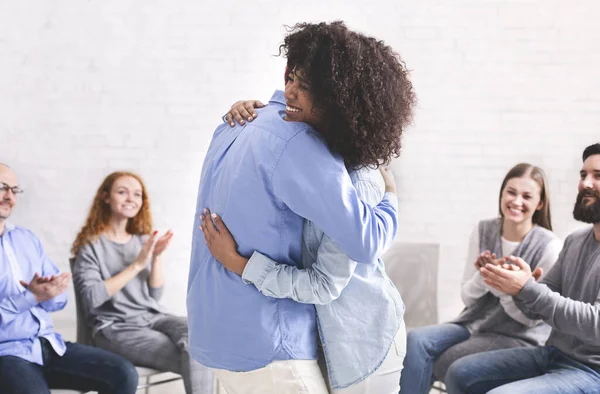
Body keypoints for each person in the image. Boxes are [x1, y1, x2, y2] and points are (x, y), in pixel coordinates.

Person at [188, 21, 415, 394]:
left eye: (306, 86)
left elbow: (361, 247)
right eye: (292, 78)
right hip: (277, 338)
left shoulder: (237, 126)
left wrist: (390, 197)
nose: (291, 91)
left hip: (359, 340)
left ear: (337, 99)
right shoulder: (284, 137)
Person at [445, 143, 600, 393]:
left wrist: (528, 288)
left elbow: (596, 324)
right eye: (583, 175)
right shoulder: (574, 241)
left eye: (597, 175)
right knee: (460, 373)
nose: (586, 183)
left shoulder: (552, 241)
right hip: (554, 354)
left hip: (593, 371)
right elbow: (537, 306)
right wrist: (516, 286)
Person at [400, 163, 562, 394]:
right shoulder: (485, 229)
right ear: (502, 193)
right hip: (473, 323)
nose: (517, 201)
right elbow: (467, 296)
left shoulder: (549, 246)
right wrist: (482, 276)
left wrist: (501, 287)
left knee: (449, 360)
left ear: (540, 203)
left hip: (518, 334)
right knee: (415, 339)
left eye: (527, 196)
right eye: (511, 192)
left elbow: (533, 320)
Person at [0, 163, 139, 394]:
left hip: (48, 344)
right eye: (3, 188)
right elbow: (31, 298)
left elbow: (57, 300)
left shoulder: (26, 239)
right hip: (7, 352)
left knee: (123, 373)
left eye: (14, 190)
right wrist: (30, 297)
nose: (10, 196)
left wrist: (50, 293)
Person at [71, 171, 214, 394]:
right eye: (122, 192)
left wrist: (156, 256)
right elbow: (91, 298)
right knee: (200, 355)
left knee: (201, 333)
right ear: (106, 197)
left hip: (152, 317)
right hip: (116, 327)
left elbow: (154, 295)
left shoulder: (141, 240)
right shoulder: (91, 247)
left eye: (137, 194)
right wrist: (137, 265)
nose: (131, 199)